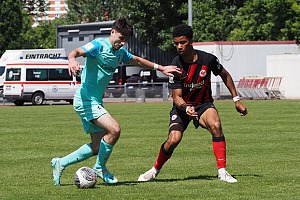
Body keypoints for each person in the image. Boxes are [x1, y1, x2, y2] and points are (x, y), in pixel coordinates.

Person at [51, 18, 180, 186]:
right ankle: (100, 167)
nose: (122, 42)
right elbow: (75, 51)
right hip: (85, 100)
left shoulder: (119, 52)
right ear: (112, 32)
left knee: (97, 146)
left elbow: (137, 60)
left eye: (125, 40)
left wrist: (161, 68)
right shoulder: (98, 45)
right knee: (114, 129)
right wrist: (72, 60)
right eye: (121, 38)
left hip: (95, 100)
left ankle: (60, 163)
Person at [138, 24, 247, 183]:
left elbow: (225, 75)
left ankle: (222, 172)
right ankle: (154, 170)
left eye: (183, 42)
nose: (179, 46)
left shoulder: (207, 59)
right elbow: (176, 97)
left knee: (216, 125)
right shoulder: (175, 66)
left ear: (191, 41)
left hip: (203, 105)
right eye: (176, 43)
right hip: (182, 108)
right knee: (173, 140)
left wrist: (236, 99)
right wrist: (186, 108)